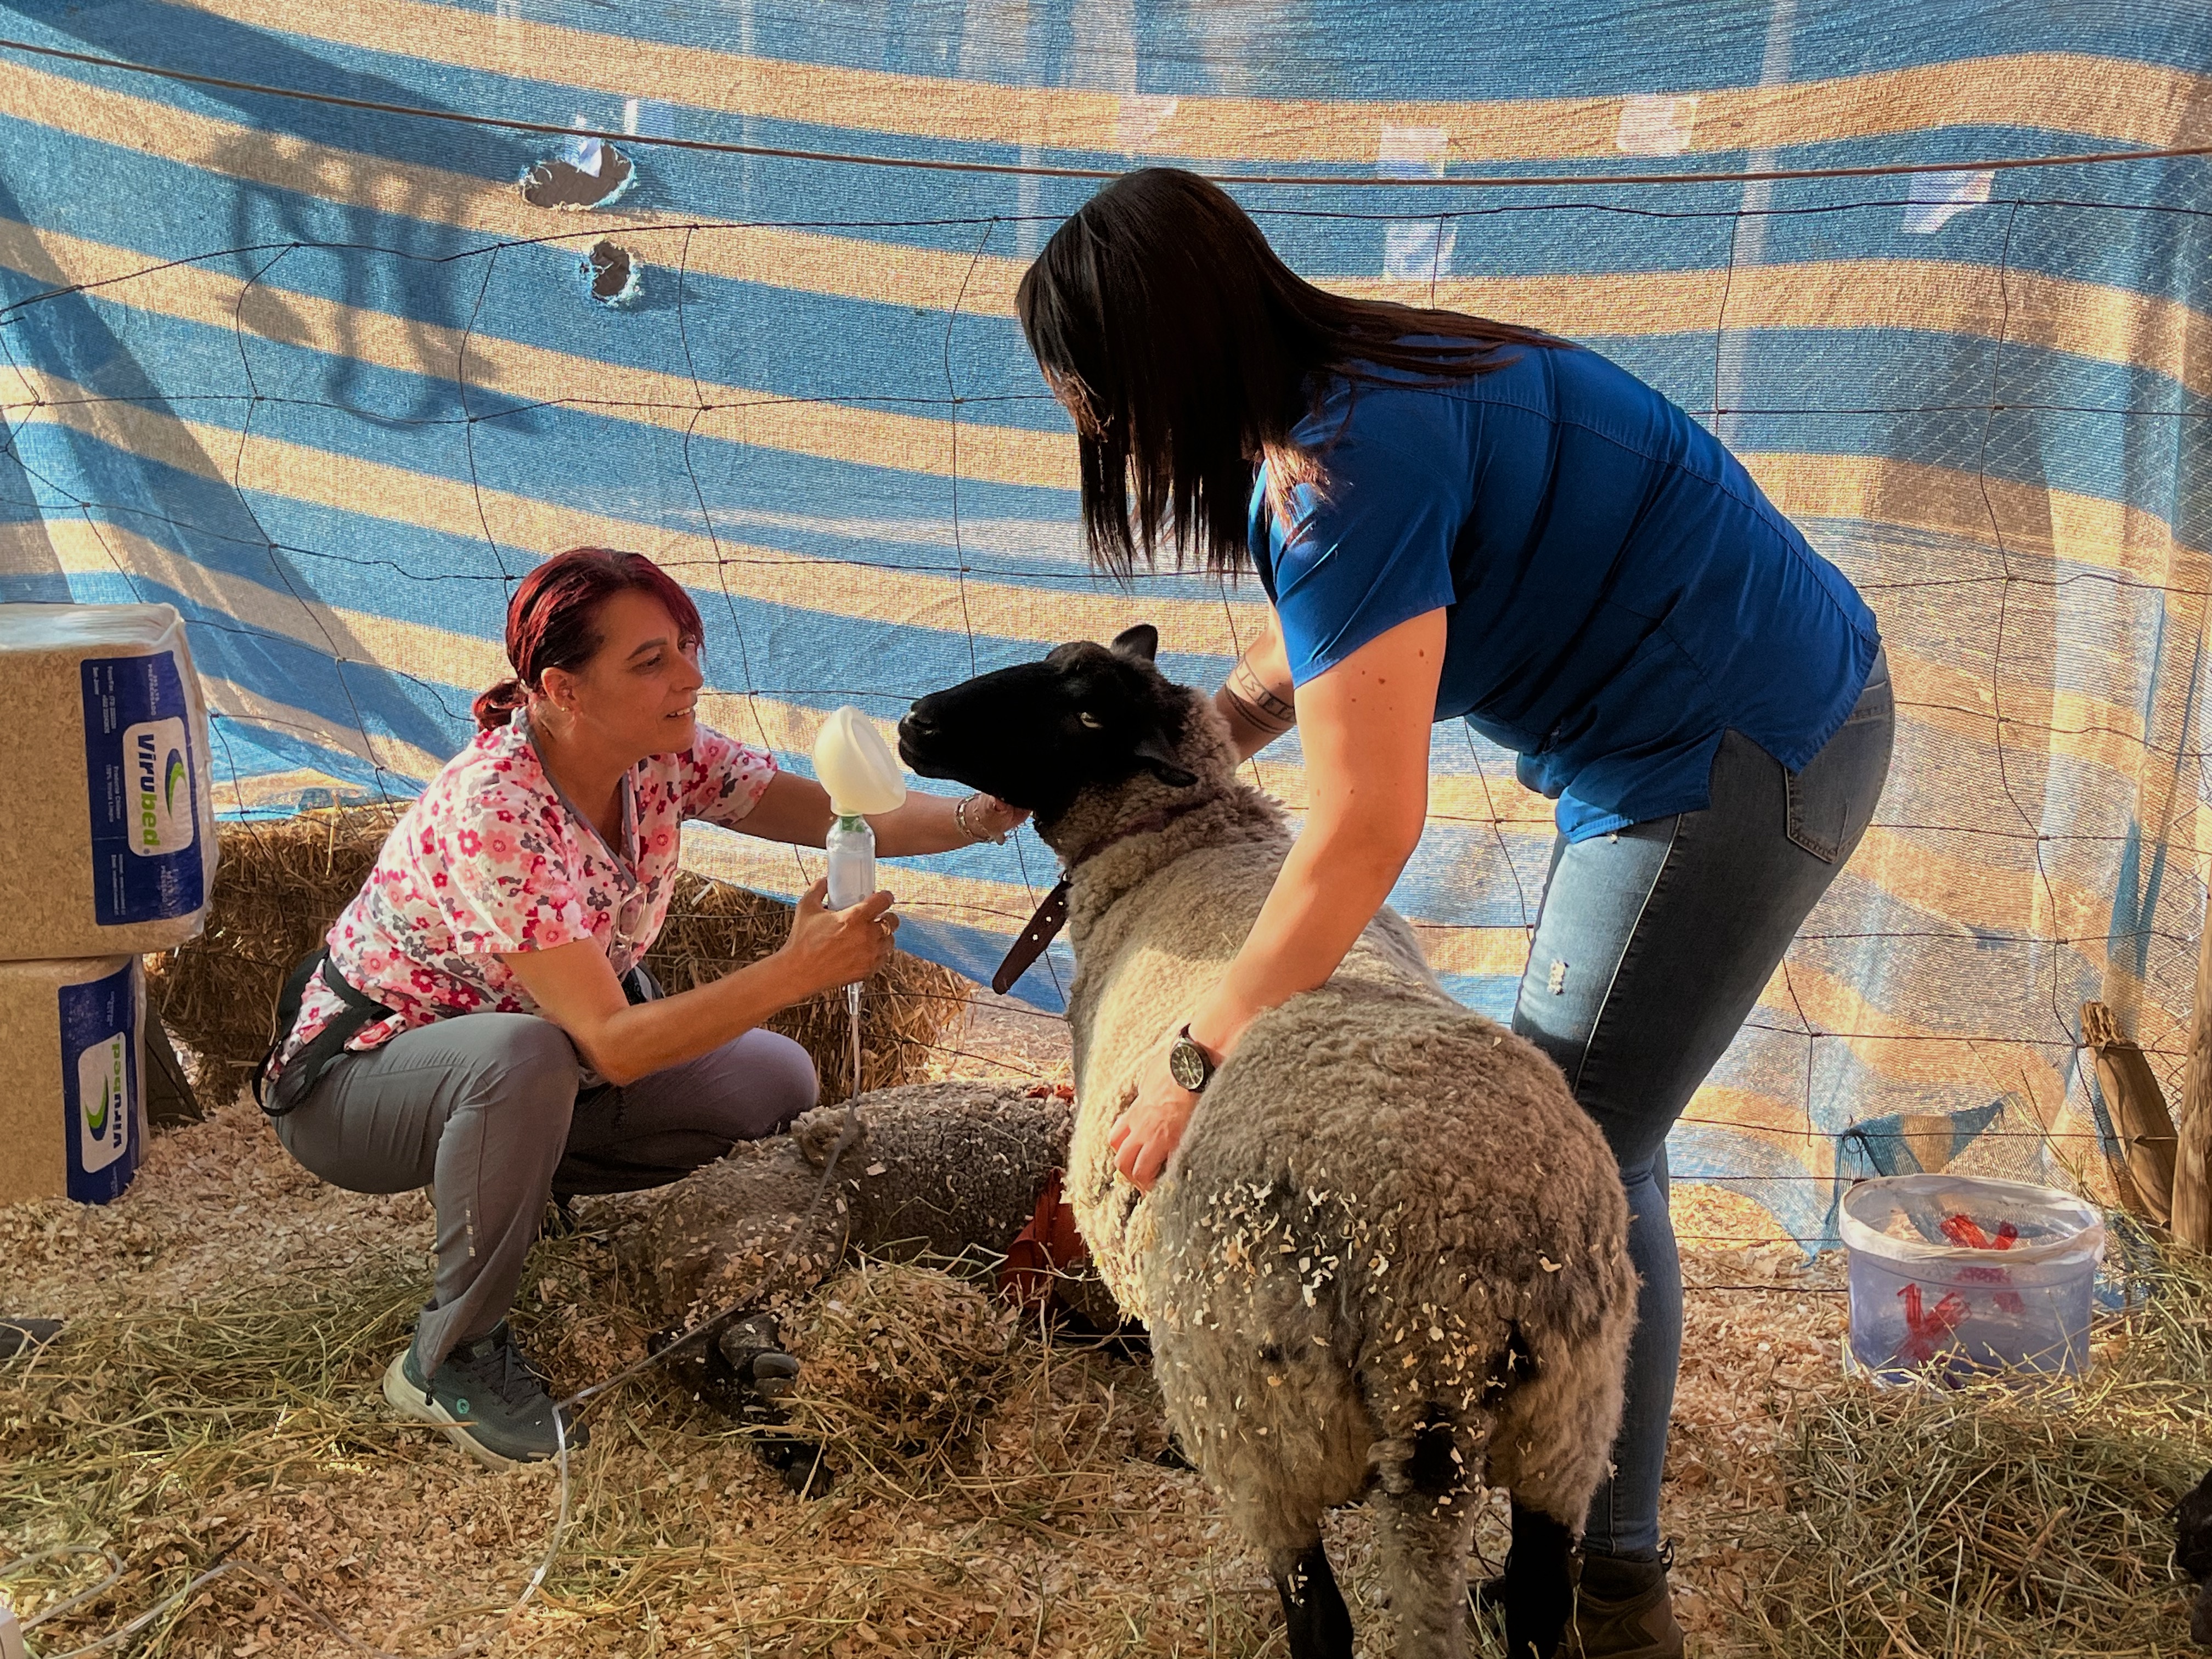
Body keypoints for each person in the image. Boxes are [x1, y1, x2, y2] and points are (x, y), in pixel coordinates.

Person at [1015, 169, 1891, 1659]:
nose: (1091, 432)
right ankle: (1603, 1554)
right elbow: (1359, 633)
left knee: (1551, 1165)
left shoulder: (1340, 470)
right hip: (1726, 723)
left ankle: (1588, 1581)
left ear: (1159, 363)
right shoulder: (1381, 372)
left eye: (1090, 399)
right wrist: (1210, 733)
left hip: (1731, 755)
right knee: (1610, 1146)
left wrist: (1191, 1057)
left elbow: (1365, 829)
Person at [259, 547, 1026, 1470]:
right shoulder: (495, 809)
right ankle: (445, 1359)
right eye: (652, 660)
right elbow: (615, 1048)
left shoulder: (663, 758)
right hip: (362, 1088)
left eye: (686, 648)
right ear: (561, 688)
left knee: (776, 1075)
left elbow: (834, 811)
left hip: (540, 1067)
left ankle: (519, 1183)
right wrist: (794, 970)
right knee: (523, 1060)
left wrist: (977, 819)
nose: (691, 678)